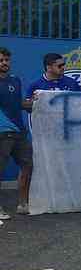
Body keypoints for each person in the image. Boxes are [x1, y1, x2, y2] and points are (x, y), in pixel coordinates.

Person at [0, 48, 33, 218]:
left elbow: (19, 103)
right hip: (2, 133)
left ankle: (23, 204)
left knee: (27, 166)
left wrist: (37, 102)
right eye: (1, 60)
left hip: (19, 132)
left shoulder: (16, 80)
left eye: (6, 60)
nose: (4, 63)